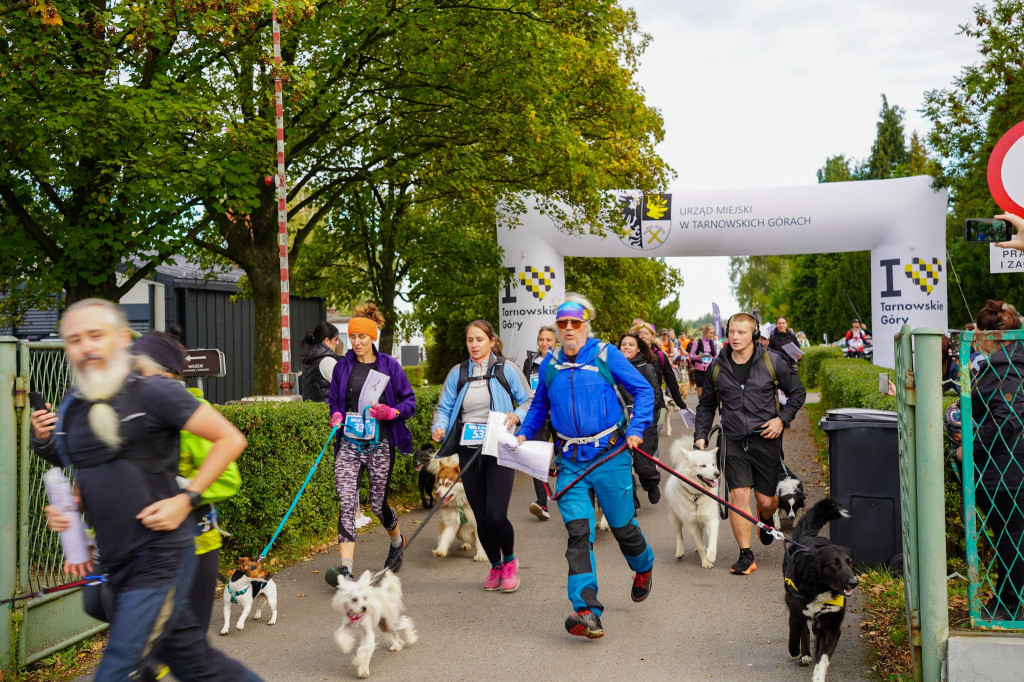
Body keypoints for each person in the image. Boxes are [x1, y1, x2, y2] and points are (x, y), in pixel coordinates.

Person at [29, 299, 258, 681]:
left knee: (120, 666)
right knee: (195, 662)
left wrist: (186, 499)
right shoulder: (74, 407)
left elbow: (229, 440)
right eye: (74, 339)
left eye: (95, 335)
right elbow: (94, 473)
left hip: (160, 555)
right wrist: (70, 511)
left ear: (121, 339)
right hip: (117, 559)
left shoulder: (153, 392)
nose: (85, 346)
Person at [517, 295, 655, 639]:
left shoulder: (606, 355)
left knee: (623, 527)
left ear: (585, 325)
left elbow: (644, 391)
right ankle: (586, 610)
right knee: (579, 534)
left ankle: (644, 564)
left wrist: (636, 429)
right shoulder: (550, 364)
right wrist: (522, 434)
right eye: (561, 324)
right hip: (570, 461)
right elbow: (538, 408)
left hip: (610, 455)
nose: (567, 329)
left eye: (574, 323)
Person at [693, 311, 806, 576]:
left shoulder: (772, 361)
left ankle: (765, 518)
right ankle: (746, 554)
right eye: (731, 331)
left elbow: (798, 393)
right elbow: (707, 405)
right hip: (732, 440)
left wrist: (782, 419)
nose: (734, 336)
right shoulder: (717, 366)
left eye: (741, 332)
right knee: (738, 496)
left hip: (766, 439)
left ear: (753, 334)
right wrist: (700, 434)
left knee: (766, 501)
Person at [432, 320, 533, 592]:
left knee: (497, 514)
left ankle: (510, 561)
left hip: (499, 447)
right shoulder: (458, 372)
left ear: (491, 341)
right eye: (469, 340)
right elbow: (445, 406)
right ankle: (495, 566)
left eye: (479, 339)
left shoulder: (506, 369)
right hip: (469, 449)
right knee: (481, 515)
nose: (474, 345)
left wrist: (517, 415)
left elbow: (529, 400)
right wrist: (438, 426)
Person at [324, 304, 416, 586]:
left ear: (372, 336)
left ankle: (396, 540)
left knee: (378, 504)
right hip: (350, 442)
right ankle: (346, 569)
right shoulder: (342, 365)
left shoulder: (389, 365)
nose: (357, 342)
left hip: (380, 442)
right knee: (347, 501)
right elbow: (334, 402)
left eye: (362, 337)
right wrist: (336, 414)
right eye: (352, 337)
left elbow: (409, 402)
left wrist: (391, 412)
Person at [969, 300, 1024, 620]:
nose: (975, 337)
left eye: (978, 331)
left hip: (1007, 471)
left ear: (994, 335)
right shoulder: (1011, 362)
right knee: (1010, 537)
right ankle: (1005, 599)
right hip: (1009, 469)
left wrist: (971, 446)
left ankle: (1009, 606)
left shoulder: (1003, 367)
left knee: (1010, 537)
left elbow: (1007, 419)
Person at [618, 330, 664, 504]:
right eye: (624, 344)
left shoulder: (646, 368)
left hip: (645, 423)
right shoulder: (612, 369)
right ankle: (632, 504)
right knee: (623, 467)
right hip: (620, 425)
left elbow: (655, 397)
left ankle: (652, 483)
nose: (626, 347)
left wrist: (637, 412)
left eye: (631, 345)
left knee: (642, 466)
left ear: (638, 349)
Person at [523, 325, 558, 520]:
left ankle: (569, 494)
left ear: (556, 342)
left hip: (559, 417)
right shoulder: (530, 362)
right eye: (541, 340)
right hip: (538, 415)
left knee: (564, 457)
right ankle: (542, 504)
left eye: (549, 340)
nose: (544, 343)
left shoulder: (562, 361)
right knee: (537, 459)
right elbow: (525, 389)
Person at [632, 321, 685, 409]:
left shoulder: (660, 356)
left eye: (646, 333)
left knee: (656, 423)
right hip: (635, 403)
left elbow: (670, 379)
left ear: (653, 336)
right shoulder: (631, 355)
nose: (642, 336)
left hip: (657, 403)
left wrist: (679, 402)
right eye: (640, 333)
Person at [300, 321, 342, 402]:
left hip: (315, 411)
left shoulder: (311, 358)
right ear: (326, 341)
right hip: (328, 411)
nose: (337, 343)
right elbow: (343, 387)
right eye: (335, 339)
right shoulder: (327, 361)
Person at [688, 325, 718, 400]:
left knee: (710, 392)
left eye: (713, 333)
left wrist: (712, 360)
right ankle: (702, 408)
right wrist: (698, 357)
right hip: (699, 370)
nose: (712, 335)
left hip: (710, 370)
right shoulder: (697, 342)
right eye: (710, 333)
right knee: (700, 394)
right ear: (705, 332)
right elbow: (691, 356)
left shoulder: (713, 343)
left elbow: (715, 356)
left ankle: (708, 409)